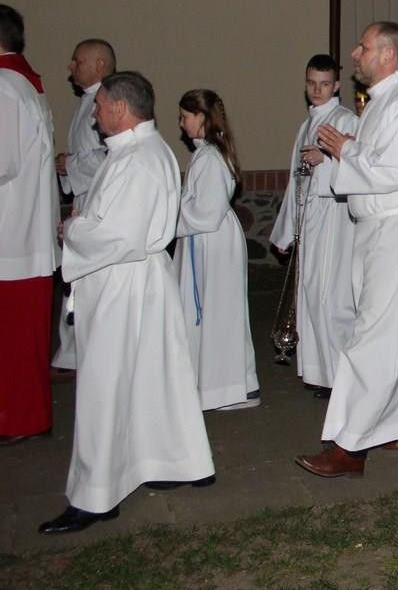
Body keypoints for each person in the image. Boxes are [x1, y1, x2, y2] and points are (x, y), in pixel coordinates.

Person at [44, 71, 213, 534]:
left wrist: (72, 229)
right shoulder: (136, 151)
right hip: (136, 280)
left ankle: (95, 495)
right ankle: (166, 460)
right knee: (149, 381)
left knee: (103, 389)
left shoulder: (139, 158)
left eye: (99, 106)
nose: (94, 114)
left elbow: (118, 235)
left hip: (123, 283)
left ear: (120, 108)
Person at [298, 22, 398, 477]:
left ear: (387, 54)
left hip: (397, 227)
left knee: (372, 336)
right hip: (381, 228)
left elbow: (395, 171)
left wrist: (347, 150)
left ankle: (349, 445)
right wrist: (344, 154)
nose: (354, 53)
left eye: (363, 46)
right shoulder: (382, 103)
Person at [269, 54, 359, 398]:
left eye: (324, 84)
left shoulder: (346, 119)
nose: (317, 90)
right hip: (311, 219)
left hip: (336, 219)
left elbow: (359, 165)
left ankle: (342, 376)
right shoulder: (306, 125)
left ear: (336, 86)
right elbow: (297, 181)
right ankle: (321, 373)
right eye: (311, 83)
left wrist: (328, 159)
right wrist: (285, 231)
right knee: (310, 294)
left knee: (333, 298)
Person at [175, 89, 258, 411]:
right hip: (207, 241)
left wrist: (170, 214)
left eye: (184, 117)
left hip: (214, 243)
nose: (181, 123)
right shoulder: (205, 153)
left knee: (220, 313)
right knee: (213, 314)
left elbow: (206, 213)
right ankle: (220, 385)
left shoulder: (211, 157)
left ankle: (230, 389)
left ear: (201, 117)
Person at [0, 5, 59, 447]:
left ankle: (20, 419)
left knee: (16, 337)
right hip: (25, 230)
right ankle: (27, 415)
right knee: (23, 336)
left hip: (12, 234)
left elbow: (4, 161)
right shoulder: (26, 84)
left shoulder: (5, 85)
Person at [50, 38, 115, 373]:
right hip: (84, 198)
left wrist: (71, 164)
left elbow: (109, 157)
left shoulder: (109, 101)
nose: (70, 67)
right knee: (74, 278)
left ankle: (81, 353)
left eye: (78, 61)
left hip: (97, 203)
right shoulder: (87, 101)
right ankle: (71, 352)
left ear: (100, 64)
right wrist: (69, 163)